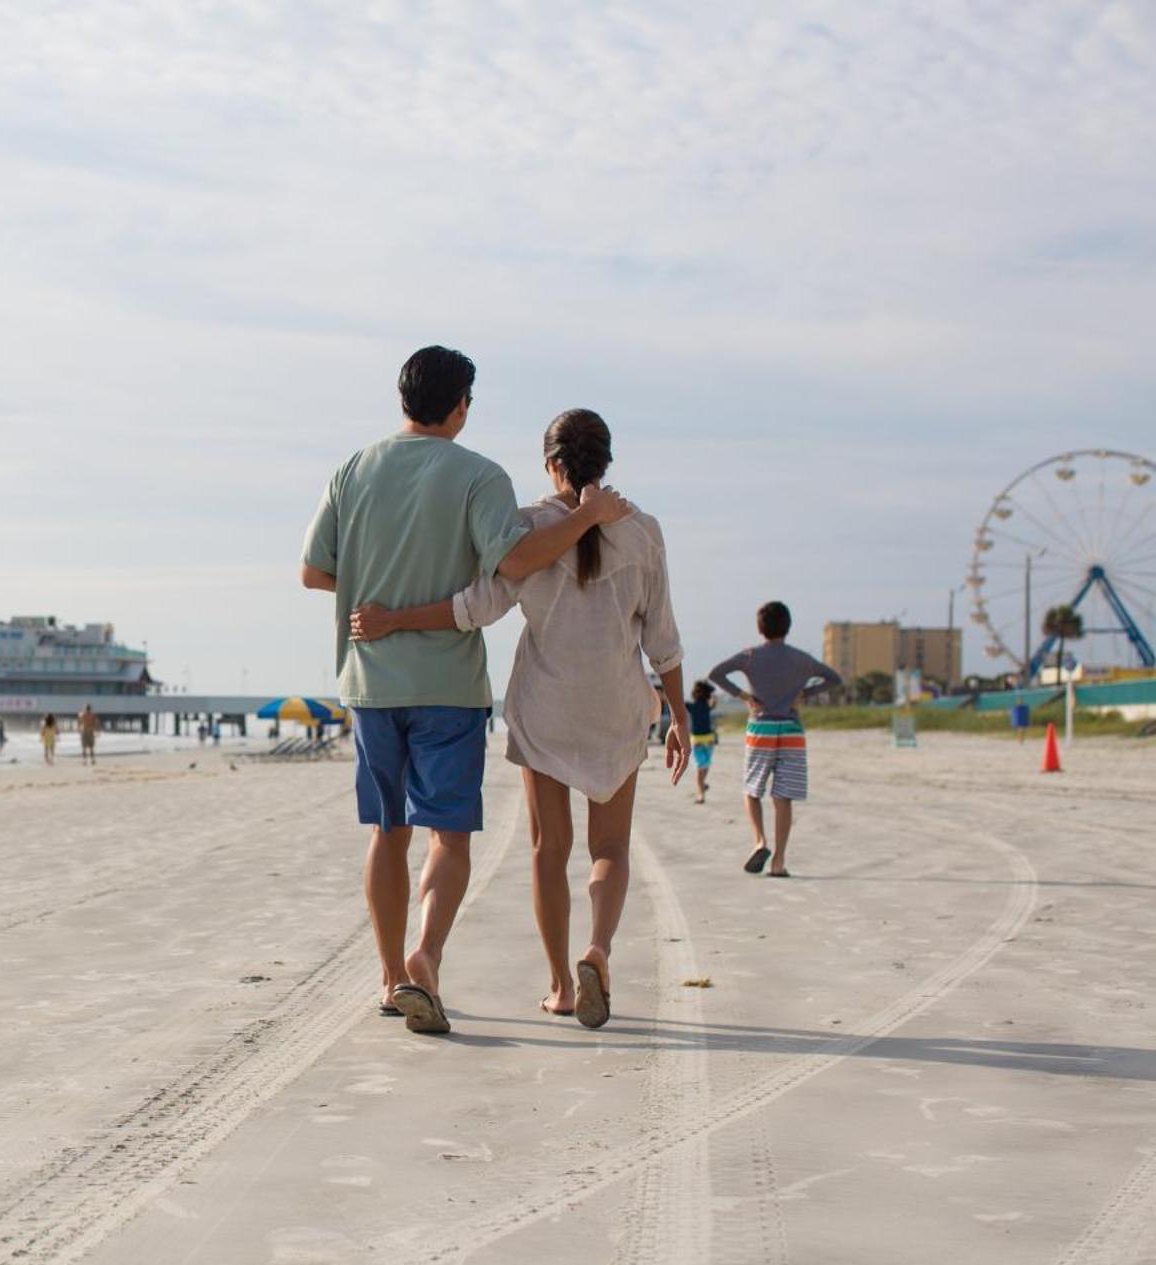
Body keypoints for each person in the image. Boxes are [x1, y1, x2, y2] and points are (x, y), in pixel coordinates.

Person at [301, 347, 633, 1036]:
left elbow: (314, 571)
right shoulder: (478, 475)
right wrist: (583, 519)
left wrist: (375, 594)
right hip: (448, 684)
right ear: (461, 406)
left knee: (386, 832)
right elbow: (514, 561)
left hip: (369, 680)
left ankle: (393, 979)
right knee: (447, 839)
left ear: (403, 399)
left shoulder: (353, 471)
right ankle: (427, 953)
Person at [351, 408, 685, 1029]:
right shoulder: (643, 532)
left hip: (545, 705)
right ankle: (598, 951)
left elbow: (474, 608)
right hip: (617, 703)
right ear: (605, 462)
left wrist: (395, 620)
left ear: (550, 464)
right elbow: (661, 635)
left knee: (547, 850)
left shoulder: (529, 530)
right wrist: (680, 717)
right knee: (609, 847)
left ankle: (560, 984)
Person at [708, 602, 843, 876]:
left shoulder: (750, 656)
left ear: (760, 628)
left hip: (761, 728)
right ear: (788, 627)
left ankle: (760, 841)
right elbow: (834, 678)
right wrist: (805, 694)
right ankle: (779, 861)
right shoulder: (802, 659)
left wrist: (743, 696)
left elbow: (716, 674)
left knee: (752, 789)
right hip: (791, 730)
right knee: (783, 796)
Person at [685, 681, 718, 804]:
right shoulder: (707, 706)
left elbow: (679, 705)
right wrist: (713, 697)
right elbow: (714, 700)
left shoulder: (692, 706)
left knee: (700, 768)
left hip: (697, 740)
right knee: (705, 765)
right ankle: (702, 785)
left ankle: (701, 795)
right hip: (709, 739)